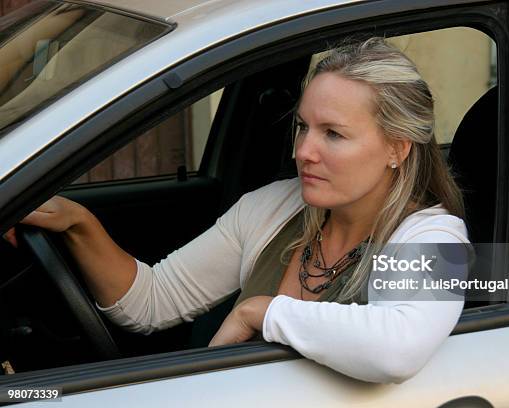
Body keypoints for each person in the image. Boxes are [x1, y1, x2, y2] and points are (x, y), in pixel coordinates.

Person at [3, 37, 469, 384]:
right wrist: (79, 223)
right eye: (303, 127)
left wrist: (260, 312)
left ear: (397, 147)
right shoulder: (271, 207)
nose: (303, 150)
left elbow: (396, 350)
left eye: (333, 134)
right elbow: (152, 302)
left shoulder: (436, 236)